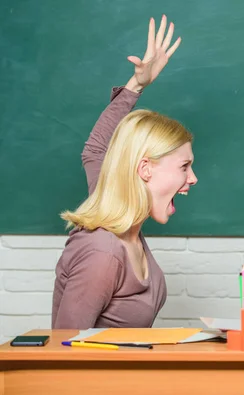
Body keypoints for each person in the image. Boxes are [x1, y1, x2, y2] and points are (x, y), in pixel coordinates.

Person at [52, 15, 197, 329]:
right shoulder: (103, 251)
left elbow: (95, 149)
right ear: (145, 169)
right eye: (185, 166)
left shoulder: (116, 214)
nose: (193, 177)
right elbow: (62, 356)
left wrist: (137, 85)